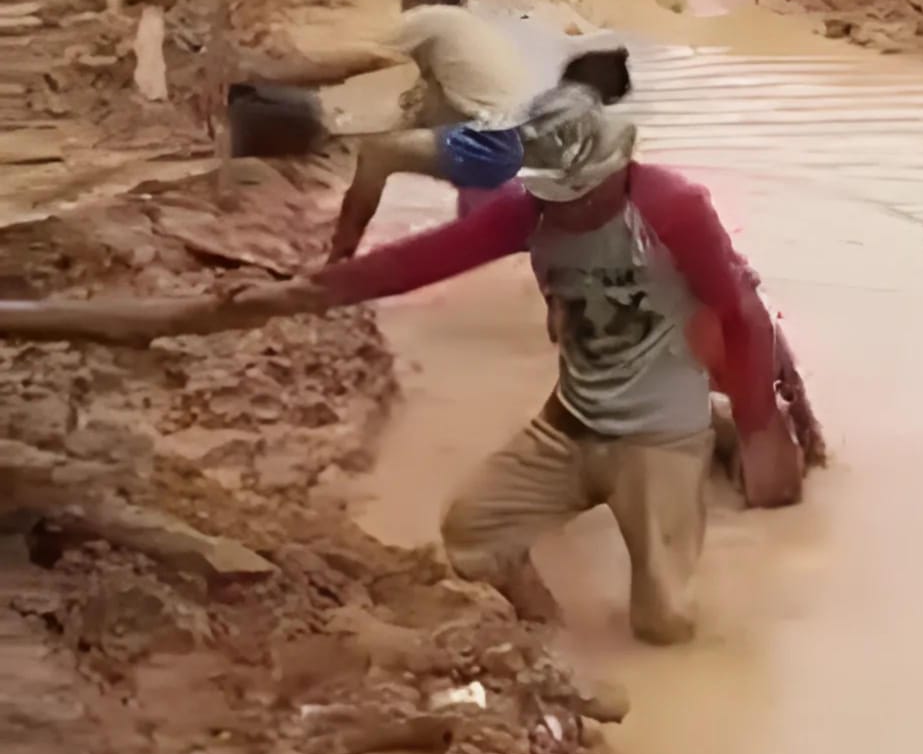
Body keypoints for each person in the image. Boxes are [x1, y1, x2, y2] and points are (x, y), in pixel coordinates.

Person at [0, 84, 823, 645]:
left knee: (664, 624)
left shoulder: (673, 206)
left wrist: (760, 426)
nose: (564, 207)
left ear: (614, 168)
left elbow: (741, 311)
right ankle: (543, 644)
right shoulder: (529, 208)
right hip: (572, 420)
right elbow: (422, 261)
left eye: (579, 191)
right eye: (553, 193)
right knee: (473, 534)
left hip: (659, 436)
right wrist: (301, 293)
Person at [237, 0, 630, 261]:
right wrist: (338, 131)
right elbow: (417, 118)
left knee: (377, 155)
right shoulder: (469, 36)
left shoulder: (433, 18)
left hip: (491, 143)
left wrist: (267, 74)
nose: (402, 0)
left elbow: (360, 60)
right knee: (482, 248)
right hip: (506, 149)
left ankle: (339, 260)